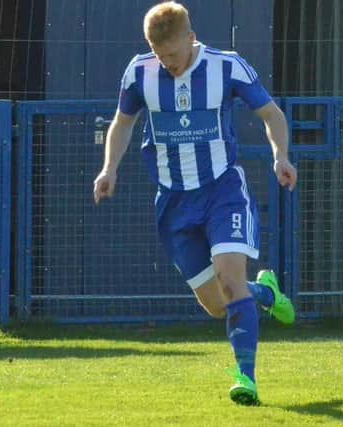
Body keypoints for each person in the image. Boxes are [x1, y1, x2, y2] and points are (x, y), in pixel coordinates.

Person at [93, 1, 298, 406]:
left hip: (222, 190)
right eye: (159, 55)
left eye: (172, 54)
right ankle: (265, 294)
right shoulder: (139, 73)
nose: (167, 63)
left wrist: (281, 155)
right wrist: (109, 169)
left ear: (191, 38)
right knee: (218, 305)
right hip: (173, 202)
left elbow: (272, 114)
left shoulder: (227, 66)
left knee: (228, 278)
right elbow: (122, 124)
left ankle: (246, 377)